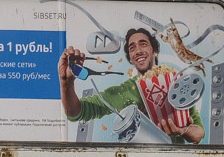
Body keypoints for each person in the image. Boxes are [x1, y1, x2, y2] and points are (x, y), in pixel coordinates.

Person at [59, 27, 204, 144]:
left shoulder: (177, 84)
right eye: (132, 48)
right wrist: (66, 83)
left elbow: (198, 134)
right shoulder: (124, 92)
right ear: (130, 59)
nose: (138, 51)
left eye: (143, 44)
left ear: (155, 50)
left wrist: (182, 130)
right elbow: (76, 112)